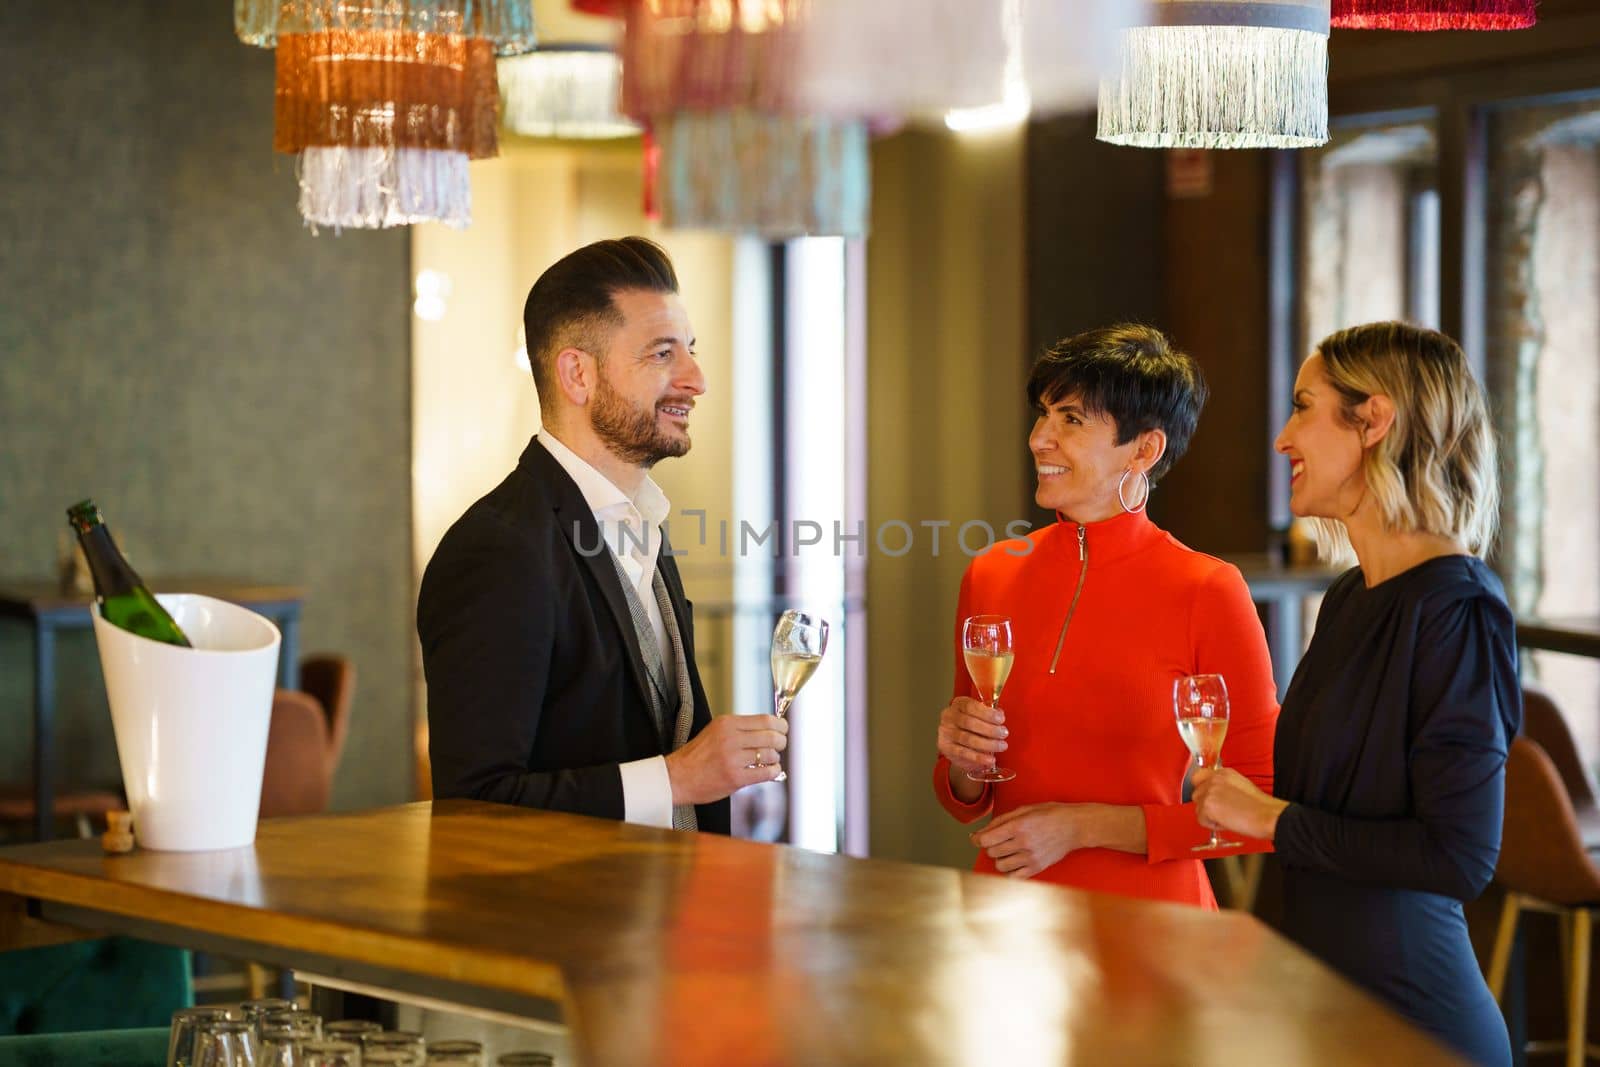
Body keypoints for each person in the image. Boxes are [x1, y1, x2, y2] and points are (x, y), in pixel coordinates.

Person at [1192, 322, 1517, 1066]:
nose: (1283, 437)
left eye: (1304, 406)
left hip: (1414, 1030)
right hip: (1320, 1016)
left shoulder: (1456, 609)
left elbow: (1459, 856)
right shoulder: (1350, 598)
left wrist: (1270, 818)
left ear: (1374, 421)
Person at [418, 237, 787, 834]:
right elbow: (473, 805)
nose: (696, 380)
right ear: (578, 375)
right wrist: (677, 778)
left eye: (689, 351)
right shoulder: (496, 549)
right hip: (561, 920)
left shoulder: (643, 524)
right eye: (663, 354)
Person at [933, 324, 1278, 908]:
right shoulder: (991, 573)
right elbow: (968, 793)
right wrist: (961, 759)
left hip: (1151, 923)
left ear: (1144, 449)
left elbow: (1262, 809)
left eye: (1071, 420)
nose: (1040, 438)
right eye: (1043, 415)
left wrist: (1083, 827)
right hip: (1007, 918)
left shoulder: (1209, 590)